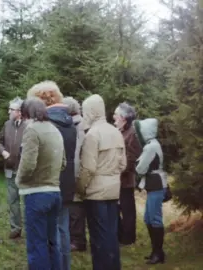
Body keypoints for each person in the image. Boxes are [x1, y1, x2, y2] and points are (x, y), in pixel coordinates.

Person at [27, 81, 77, 270]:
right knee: (63, 230)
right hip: (66, 182)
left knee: (46, 234)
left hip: (47, 184)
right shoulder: (70, 124)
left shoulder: (46, 126)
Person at [76, 94, 126, 270]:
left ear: (91, 111)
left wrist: (80, 189)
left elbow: (88, 168)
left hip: (96, 194)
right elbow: (123, 164)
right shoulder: (116, 132)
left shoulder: (92, 135)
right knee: (111, 235)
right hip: (114, 190)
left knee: (98, 238)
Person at [16, 97, 65, 270]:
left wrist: (19, 180)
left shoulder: (32, 130)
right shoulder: (55, 129)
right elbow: (63, 163)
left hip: (36, 194)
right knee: (53, 243)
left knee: (37, 244)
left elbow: (28, 164)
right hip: (55, 192)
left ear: (26, 113)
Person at [134, 118, 168, 264]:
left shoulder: (150, 147)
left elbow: (140, 168)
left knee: (154, 218)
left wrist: (136, 171)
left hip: (156, 185)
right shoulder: (152, 145)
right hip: (155, 184)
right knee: (149, 218)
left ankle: (158, 253)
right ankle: (156, 251)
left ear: (145, 131)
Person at [0, 97, 27, 239]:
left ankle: (31, 229)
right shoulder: (7, 124)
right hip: (9, 169)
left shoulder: (29, 126)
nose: (8, 111)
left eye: (11, 109)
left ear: (20, 112)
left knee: (28, 202)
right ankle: (15, 229)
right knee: (12, 200)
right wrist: (3, 152)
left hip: (25, 172)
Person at [113, 102, 142, 245]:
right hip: (116, 178)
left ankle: (128, 238)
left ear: (123, 118)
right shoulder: (118, 131)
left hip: (126, 179)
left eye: (116, 115)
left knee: (127, 209)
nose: (113, 117)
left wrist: (120, 170)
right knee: (116, 208)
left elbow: (133, 157)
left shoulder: (132, 134)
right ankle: (119, 235)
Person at [62, 97, 88, 252]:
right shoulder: (78, 124)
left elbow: (78, 152)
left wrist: (75, 175)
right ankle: (76, 238)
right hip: (76, 171)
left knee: (76, 208)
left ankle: (78, 241)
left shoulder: (78, 126)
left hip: (77, 172)